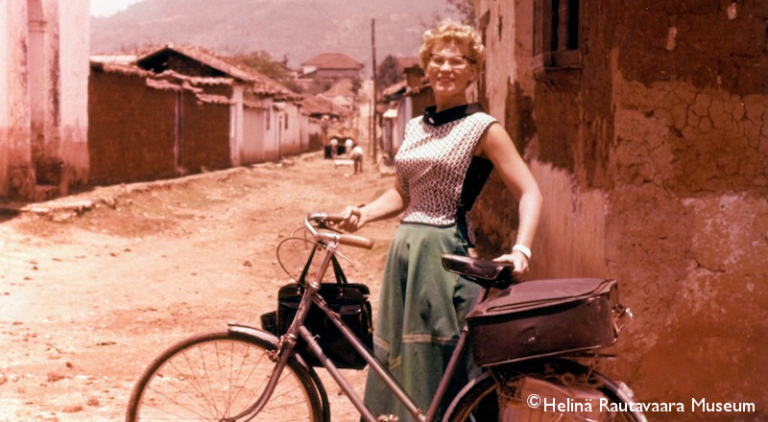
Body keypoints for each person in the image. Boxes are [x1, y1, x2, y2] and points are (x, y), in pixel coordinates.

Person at [338, 20, 542, 421]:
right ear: (427, 68)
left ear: (472, 71)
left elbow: (531, 191)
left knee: (440, 359)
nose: (446, 68)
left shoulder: (483, 128)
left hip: (445, 254)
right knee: (401, 356)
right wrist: (364, 212)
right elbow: (401, 192)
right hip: (404, 254)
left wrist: (522, 248)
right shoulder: (415, 127)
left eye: (458, 61)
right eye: (438, 60)